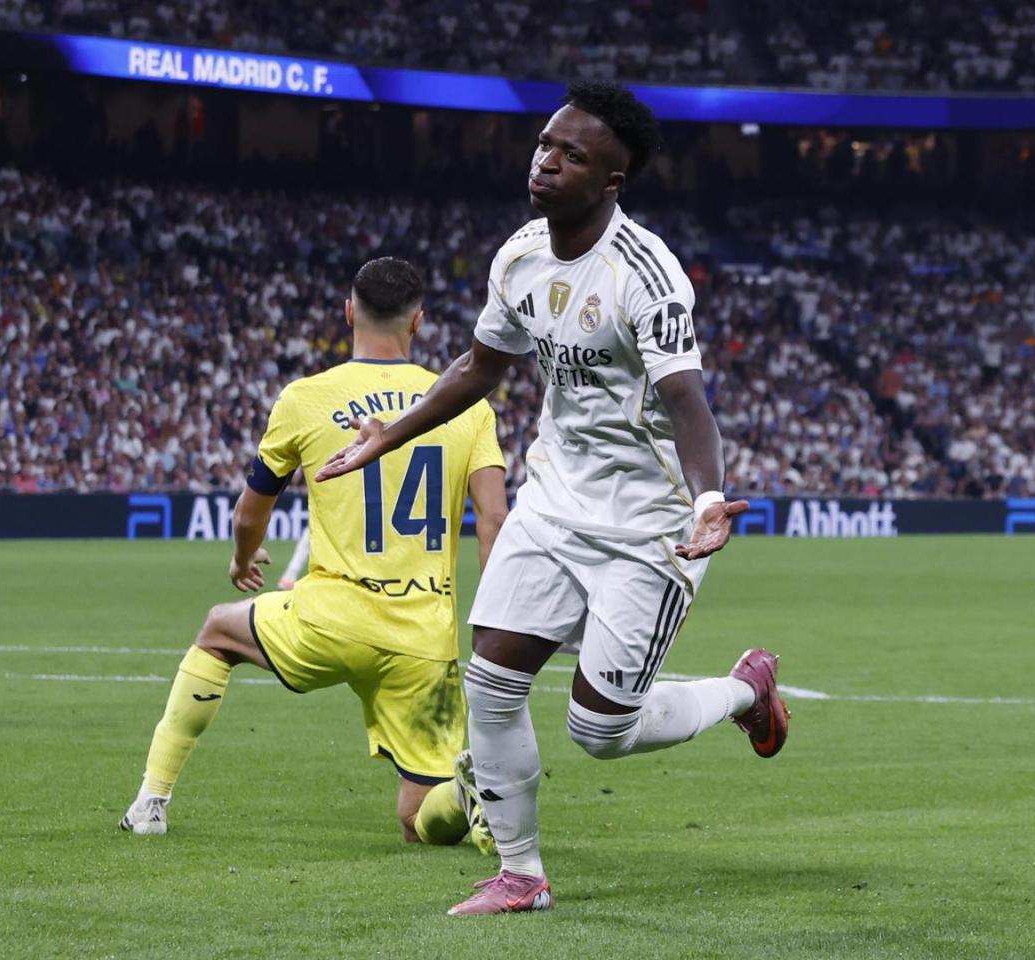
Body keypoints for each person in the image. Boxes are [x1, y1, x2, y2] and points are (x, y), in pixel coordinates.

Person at [315, 81, 790, 916]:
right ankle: (522, 874)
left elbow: (688, 400)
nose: (547, 160)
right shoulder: (520, 255)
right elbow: (479, 368)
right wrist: (389, 435)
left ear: (612, 180)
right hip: (553, 500)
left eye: (572, 155)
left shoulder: (649, 275)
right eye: (545, 144)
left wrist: (709, 497)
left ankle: (746, 691)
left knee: (600, 732)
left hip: (649, 524)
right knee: (492, 682)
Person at [119, 257, 511, 846]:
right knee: (422, 820)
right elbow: (495, 520)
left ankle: (151, 799)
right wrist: (498, 621)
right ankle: (462, 793)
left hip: (333, 617)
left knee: (217, 632)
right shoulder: (467, 406)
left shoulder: (305, 399)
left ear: (349, 311)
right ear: (419, 322)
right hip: (426, 640)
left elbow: (252, 510)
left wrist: (243, 558)